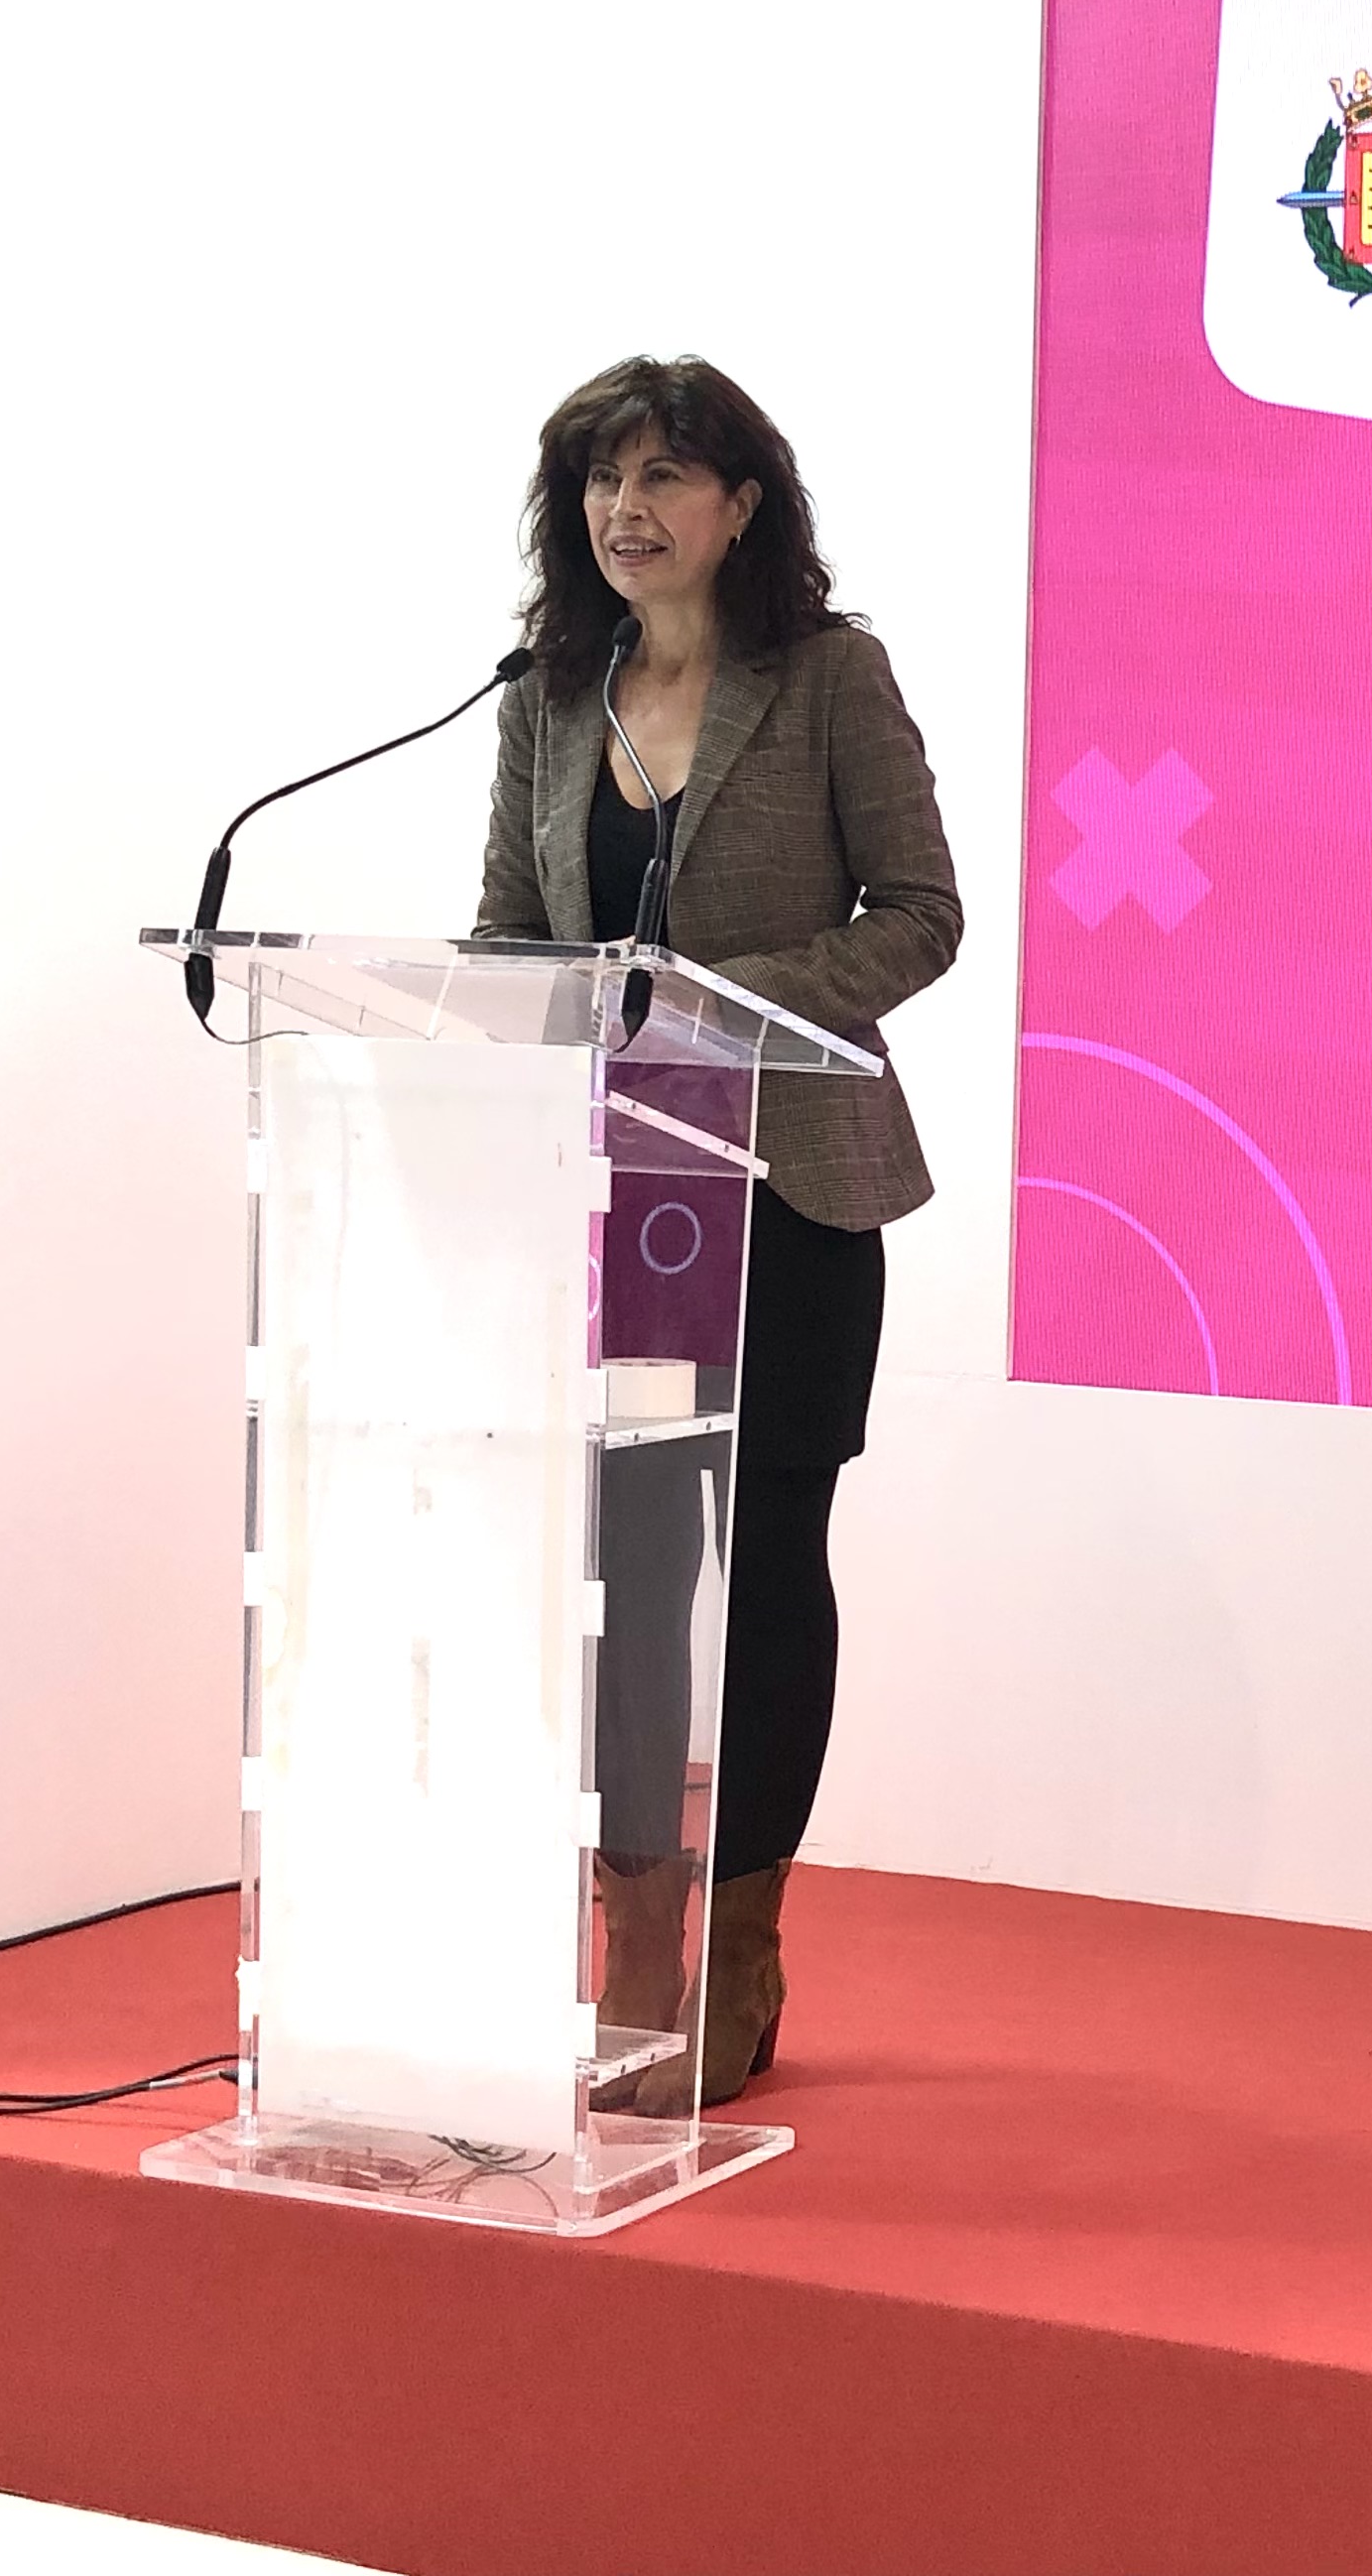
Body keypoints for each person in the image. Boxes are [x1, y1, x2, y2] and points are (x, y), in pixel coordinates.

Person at [476, 355, 961, 2108]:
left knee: (760, 1575)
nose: (630, 509)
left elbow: (920, 916)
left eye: (667, 476)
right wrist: (547, 1018)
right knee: (625, 1581)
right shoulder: (547, 699)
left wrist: (709, 1004)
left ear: (741, 506)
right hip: (611, 1197)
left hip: (794, 1192)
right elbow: (506, 935)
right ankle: (633, 1947)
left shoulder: (829, 679)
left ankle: (738, 1952)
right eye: (605, 479)